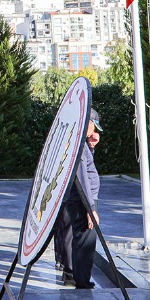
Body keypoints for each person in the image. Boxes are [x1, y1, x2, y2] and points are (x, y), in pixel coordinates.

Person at [54, 112, 103, 289]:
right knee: (84, 241)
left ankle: (77, 277)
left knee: (78, 239)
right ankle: (81, 281)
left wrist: (92, 147)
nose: (94, 132)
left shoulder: (79, 143)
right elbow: (82, 178)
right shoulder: (78, 146)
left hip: (78, 200)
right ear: (88, 123)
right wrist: (90, 209)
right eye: (93, 127)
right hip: (82, 201)